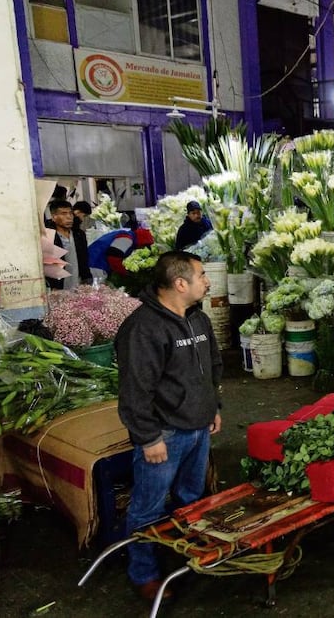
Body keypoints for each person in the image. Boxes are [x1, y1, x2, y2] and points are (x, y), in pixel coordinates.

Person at [115, 251, 222, 602]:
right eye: (202, 275)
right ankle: (143, 573)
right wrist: (148, 438)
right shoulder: (143, 329)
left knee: (191, 498)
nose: (207, 281)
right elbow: (135, 390)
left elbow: (213, 365)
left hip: (198, 428)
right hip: (165, 435)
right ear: (180, 283)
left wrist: (212, 407)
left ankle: (184, 557)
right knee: (148, 508)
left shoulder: (198, 319)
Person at [45, 200, 91, 290]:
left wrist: (87, 279)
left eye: (70, 213)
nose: (69, 217)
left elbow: (84, 259)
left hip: (77, 284)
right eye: (63, 214)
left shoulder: (79, 235)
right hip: (59, 287)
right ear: (54, 217)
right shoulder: (49, 236)